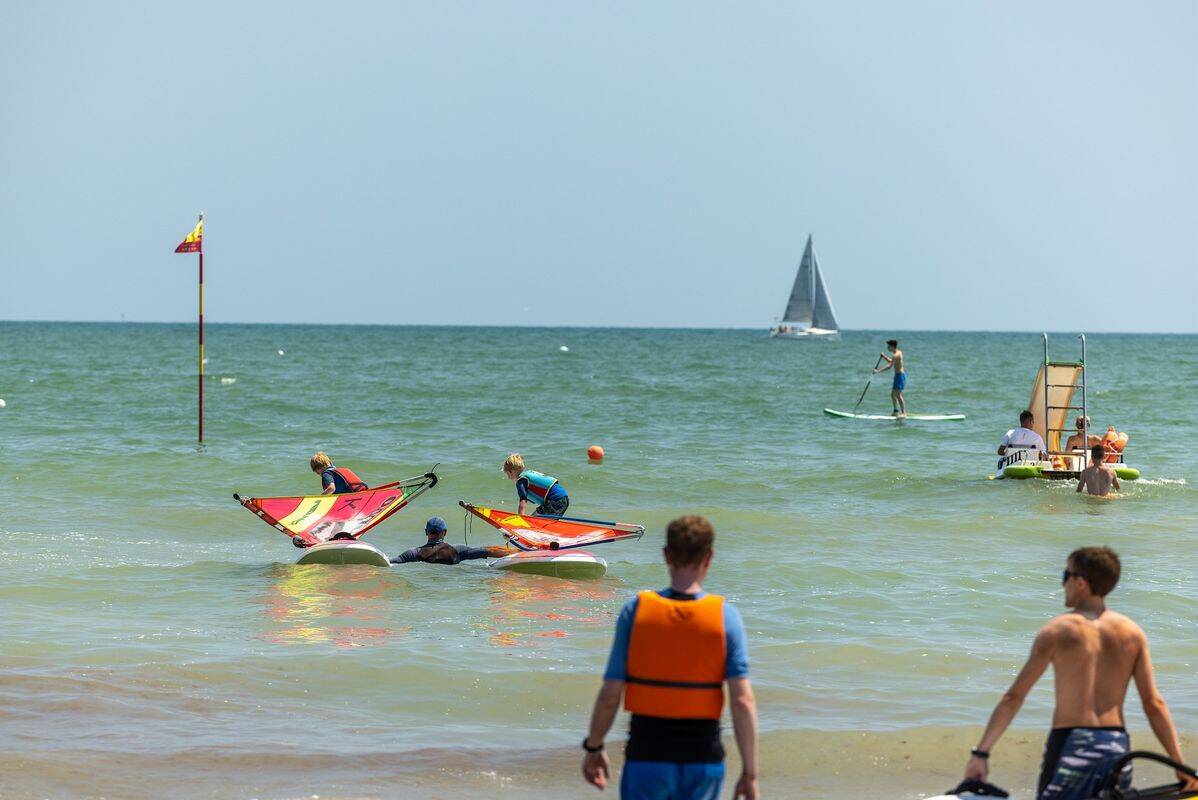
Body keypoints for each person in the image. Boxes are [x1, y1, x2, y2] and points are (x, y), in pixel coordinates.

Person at [961, 547, 1197, 799]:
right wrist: (1180, 765)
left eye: (1066, 575)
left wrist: (981, 754)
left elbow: (1014, 698)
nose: (1062, 582)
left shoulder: (1057, 631)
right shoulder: (1132, 633)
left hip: (1071, 746)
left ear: (1081, 583)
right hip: (1116, 747)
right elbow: (1153, 704)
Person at [581, 515, 758, 800]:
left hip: (647, 758)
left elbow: (611, 695)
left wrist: (594, 747)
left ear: (666, 555)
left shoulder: (635, 611)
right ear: (709, 557)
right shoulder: (725, 617)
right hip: (703, 761)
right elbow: (742, 701)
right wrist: (750, 773)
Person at [390, 517, 511, 565]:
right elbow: (489, 551)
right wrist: (517, 551)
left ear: (426, 532)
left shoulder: (414, 553)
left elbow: (391, 561)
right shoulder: (456, 551)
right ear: (445, 532)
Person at [503, 453, 569, 517]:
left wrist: (520, 517)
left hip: (554, 500)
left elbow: (523, 500)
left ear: (510, 472)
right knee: (547, 523)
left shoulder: (521, 481)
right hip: (564, 499)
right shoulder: (529, 474)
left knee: (533, 522)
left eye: (507, 474)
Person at [873, 339, 906, 417]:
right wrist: (884, 357)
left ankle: (904, 413)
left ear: (893, 346)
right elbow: (892, 362)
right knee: (892, 394)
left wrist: (878, 371)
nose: (887, 348)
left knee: (898, 395)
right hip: (897, 376)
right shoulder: (897, 353)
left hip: (900, 376)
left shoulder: (896, 355)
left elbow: (890, 366)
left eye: (889, 346)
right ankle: (895, 411)